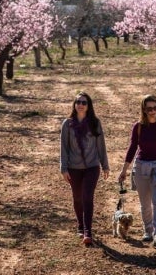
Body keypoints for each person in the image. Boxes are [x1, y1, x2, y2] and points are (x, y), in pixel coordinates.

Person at [118, 94, 156, 247]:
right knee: (145, 203)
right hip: (141, 166)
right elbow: (132, 148)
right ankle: (148, 231)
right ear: (144, 110)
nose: (152, 111)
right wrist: (124, 170)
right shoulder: (138, 127)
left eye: (154, 108)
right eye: (149, 108)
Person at [60, 92, 110, 246]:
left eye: (84, 102)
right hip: (74, 167)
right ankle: (80, 226)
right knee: (77, 197)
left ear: (89, 106)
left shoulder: (95, 122)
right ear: (74, 105)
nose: (81, 105)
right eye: (78, 102)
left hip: (92, 166)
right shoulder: (67, 124)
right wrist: (64, 167)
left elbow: (101, 145)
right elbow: (64, 147)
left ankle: (88, 231)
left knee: (87, 196)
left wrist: (105, 165)